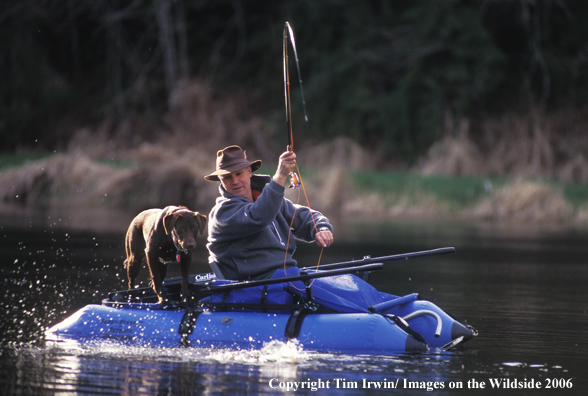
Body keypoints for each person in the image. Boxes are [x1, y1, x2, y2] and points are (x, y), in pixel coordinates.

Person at [204, 145, 334, 280]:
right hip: (257, 285)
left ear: (249, 171)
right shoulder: (222, 213)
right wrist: (280, 175)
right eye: (227, 177)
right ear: (221, 180)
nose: (235, 181)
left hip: (289, 276)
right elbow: (258, 216)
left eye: (238, 174)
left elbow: (304, 215)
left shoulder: (268, 200)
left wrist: (321, 227)